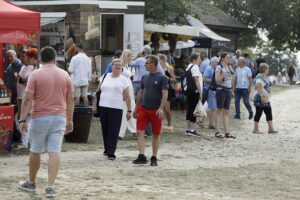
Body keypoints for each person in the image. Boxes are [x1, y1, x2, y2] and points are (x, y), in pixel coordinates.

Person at [18, 46, 74, 198]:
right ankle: (50, 187)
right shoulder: (65, 75)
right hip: (59, 118)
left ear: (40, 59)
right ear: (55, 59)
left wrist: (22, 119)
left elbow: (28, 99)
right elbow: (70, 100)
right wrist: (70, 119)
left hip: (40, 117)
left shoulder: (35, 74)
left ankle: (31, 182)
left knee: (35, 150)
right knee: (54, 151)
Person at [132, 55, 168, 166]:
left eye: (147, 63)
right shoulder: (145, 77)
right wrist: (136, 107)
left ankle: (154, 157)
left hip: (155, 110)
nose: (145, 65)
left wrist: (161, 108)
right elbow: (140, 92)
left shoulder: (162, 77)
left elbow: (165, 93)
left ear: (153, 64)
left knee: (156, 134)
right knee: (139, 132)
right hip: (143, 108)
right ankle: (142, 156)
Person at [94, 59, 131, 160]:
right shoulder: (105, 76)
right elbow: (97, 92)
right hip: (103, 106)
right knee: (105, 129)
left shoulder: (123, 79)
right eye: (116, 65)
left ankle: (111, 152)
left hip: (116, 108)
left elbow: (127, 96)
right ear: (112, 66)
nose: (118, 66)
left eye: (120, 65)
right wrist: (95, 105)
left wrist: (128, 110)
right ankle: (107, 149)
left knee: (113, 130)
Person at [16, 48, 36, 148]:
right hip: (24, 96)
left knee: (27, 119)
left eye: (25, 57)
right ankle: (25, 141)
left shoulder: (34, 69)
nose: (24, 59)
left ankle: (26, 142)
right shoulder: (27, 67)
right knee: (26, 119)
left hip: (29, 98)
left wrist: (20, 79)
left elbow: (25, 81)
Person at [215, 52, 236, 138]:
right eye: (227, 57)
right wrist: (222, 74)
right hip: (221, 90)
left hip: (228, 90)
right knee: (219, 111)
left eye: (229, 57)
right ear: (222, 58)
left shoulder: (230, 67)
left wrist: (233, 89)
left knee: (226, 112)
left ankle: (227, 132)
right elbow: (217, 81)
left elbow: (232, 79)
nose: (229, 59)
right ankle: (217, 132)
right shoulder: (219, 67)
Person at [252, 63, 277, 134]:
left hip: (266, 98)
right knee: (258, 113)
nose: (268, 70)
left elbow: (267, 85)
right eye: (268, 68)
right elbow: (258, 87)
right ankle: (255, 129)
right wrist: (261, 97)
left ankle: (270, 129)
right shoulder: (259, 77)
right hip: (260, 97)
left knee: (269, 112)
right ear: (264, 69)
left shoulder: (264, 76)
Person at [118, 49, 137, 139]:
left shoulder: (127, 66)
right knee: (125, 110)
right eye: (130, 56)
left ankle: (133, 131)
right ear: (127, 56)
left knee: (130, 109)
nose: (131, 58)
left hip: (129, 88)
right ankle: (123, 133)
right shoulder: (121, 66)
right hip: (124, 89)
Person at [184, 53, 202, 137]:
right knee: (194, 110)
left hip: (189, 90)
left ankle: (188, 129)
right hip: (194, 91)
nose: (200, 60)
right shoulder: (195, 67)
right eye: (199, 59)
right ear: (194, 60)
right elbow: (196, 80)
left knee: (189, 109)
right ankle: (192, 129)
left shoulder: (188, 66)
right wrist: (200, 92)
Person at [158, 54, 177, 132]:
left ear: (162, 60)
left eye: (157, 59)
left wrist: (168, 78)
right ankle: (159, 125)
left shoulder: (169, 68)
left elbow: (175, 80)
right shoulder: (156, 68)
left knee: (166, 109)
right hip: (158, 90)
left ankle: (169, 124)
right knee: (158, 108)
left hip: (167, 89)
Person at [202, 57, 219, 129]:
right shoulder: (209, 68)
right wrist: (213, 81)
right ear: (213, 62)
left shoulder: (215, 69)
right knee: (213, 108)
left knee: (210, 107)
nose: (218, 63)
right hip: (208, 89)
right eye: (217, 62)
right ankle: (211, 124)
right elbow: (204, 79)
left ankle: (206, 122)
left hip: (213, 89)